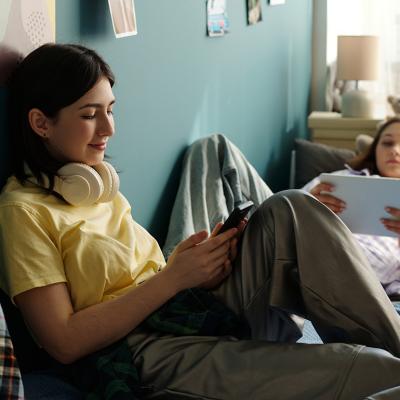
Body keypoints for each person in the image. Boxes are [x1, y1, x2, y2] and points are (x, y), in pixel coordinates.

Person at [1, 43, 400, 400]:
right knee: (376, 369)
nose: (109, 129)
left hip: (182, 308)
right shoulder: (24, 211)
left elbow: (149, 277)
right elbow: (64, 342)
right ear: (41, 123)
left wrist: (202, 269)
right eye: (90, 115)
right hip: (142, 348)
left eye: (110, 110)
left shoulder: (95, 185)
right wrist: (174, 279)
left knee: (291, 208)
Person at [304, 117, 400, 298]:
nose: (395, 150)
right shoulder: (340, 179)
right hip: (304, 242)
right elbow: (282, 209)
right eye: (388, 143)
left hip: (354, 273)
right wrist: (308, 204)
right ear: (374, 151)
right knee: (233, 156)